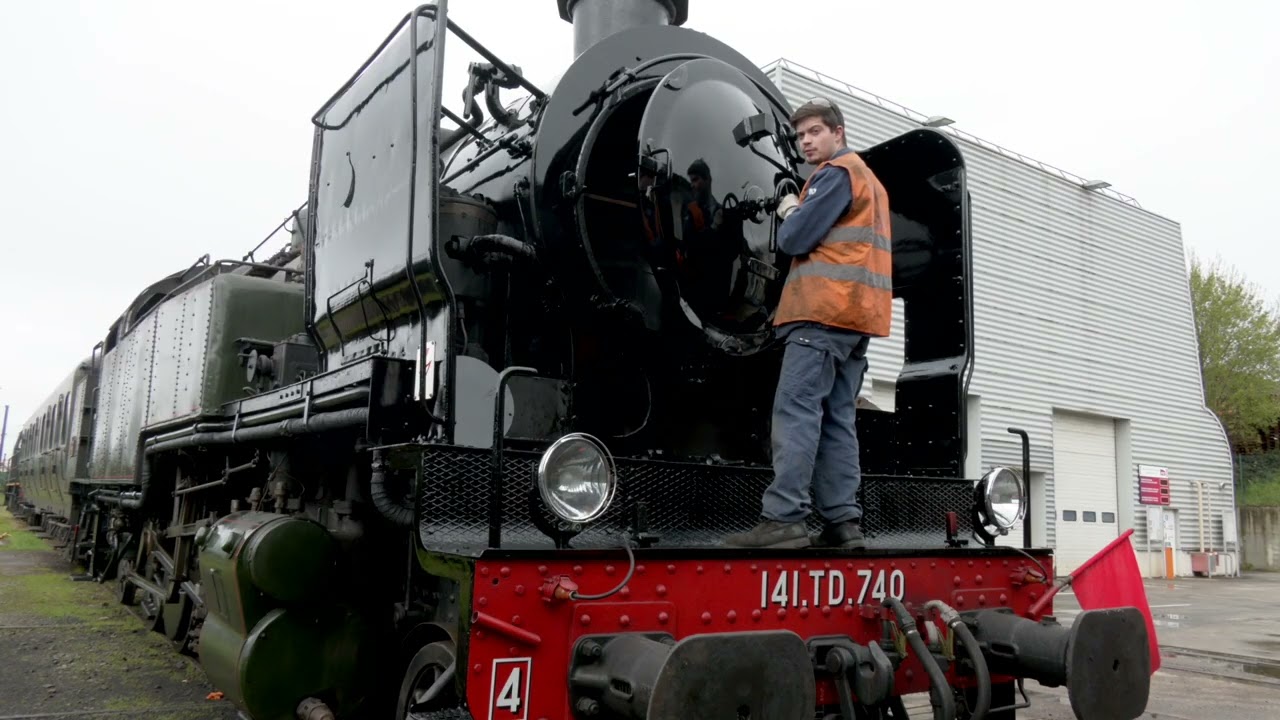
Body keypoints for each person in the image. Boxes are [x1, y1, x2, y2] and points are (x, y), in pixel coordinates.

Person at [724, 96, 892, 550]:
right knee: (838, 418)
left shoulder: (836, 174)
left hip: (820, 315)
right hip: (856, 321)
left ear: (839, 132)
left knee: (796, 412)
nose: (806, 142)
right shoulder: (871, 182)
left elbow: (797, 238)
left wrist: (790, 210)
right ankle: (842, 522)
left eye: (815, 132)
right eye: (800, 136)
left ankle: (784, 517)